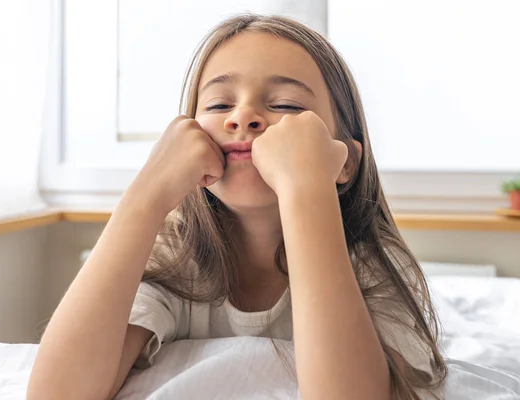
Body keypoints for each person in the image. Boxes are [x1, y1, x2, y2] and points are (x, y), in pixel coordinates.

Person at [27, 14, 447, 400]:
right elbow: (56, 394)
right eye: (218, 105)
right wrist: (145, 196)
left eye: (285, 106)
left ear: (345, 160)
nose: (243, 116)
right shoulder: (176, 259)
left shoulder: (373, 264)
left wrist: (306, 189)